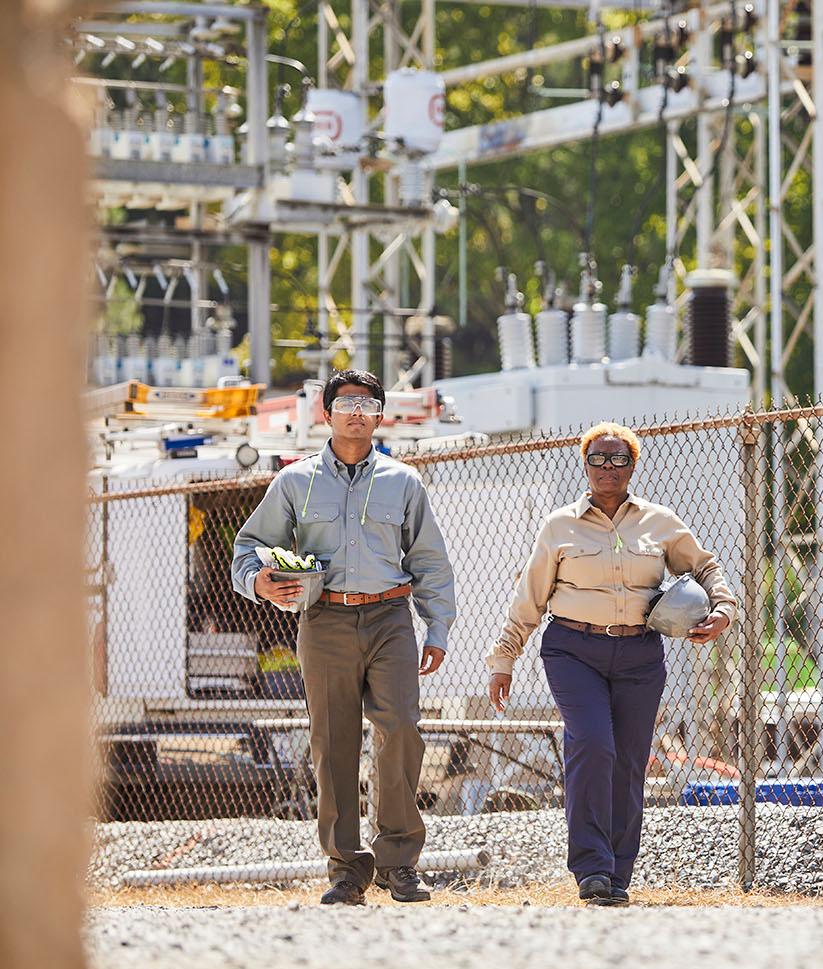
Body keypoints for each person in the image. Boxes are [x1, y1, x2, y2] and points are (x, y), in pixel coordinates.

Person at [486, 421, 736, 906]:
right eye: (597, 459)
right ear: (585, 464)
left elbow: (704, 566)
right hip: (572, 650)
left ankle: (617, 875)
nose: (607, 467)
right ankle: (591, 868)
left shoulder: (660, 522)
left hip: (640, 653)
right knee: (593, 743)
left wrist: (723, 608)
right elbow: (530, 597)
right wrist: (504, 659)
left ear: (632, 466)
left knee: (628, 761)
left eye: (618, 459)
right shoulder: (560, 526)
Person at [232, 369, 456, 905]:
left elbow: (428, 560)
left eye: (368, 403)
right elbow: (248, 548)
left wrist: (438, 626)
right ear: (325, 414)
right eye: (347, 402)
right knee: (332, 742)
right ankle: (346, 870)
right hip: (325, 622)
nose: (358, 410)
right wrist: (259, 582)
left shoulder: (404, 482)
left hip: (390, 620)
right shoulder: (293, 481)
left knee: (400, 729)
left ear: (381, 415)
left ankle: (398, 862)